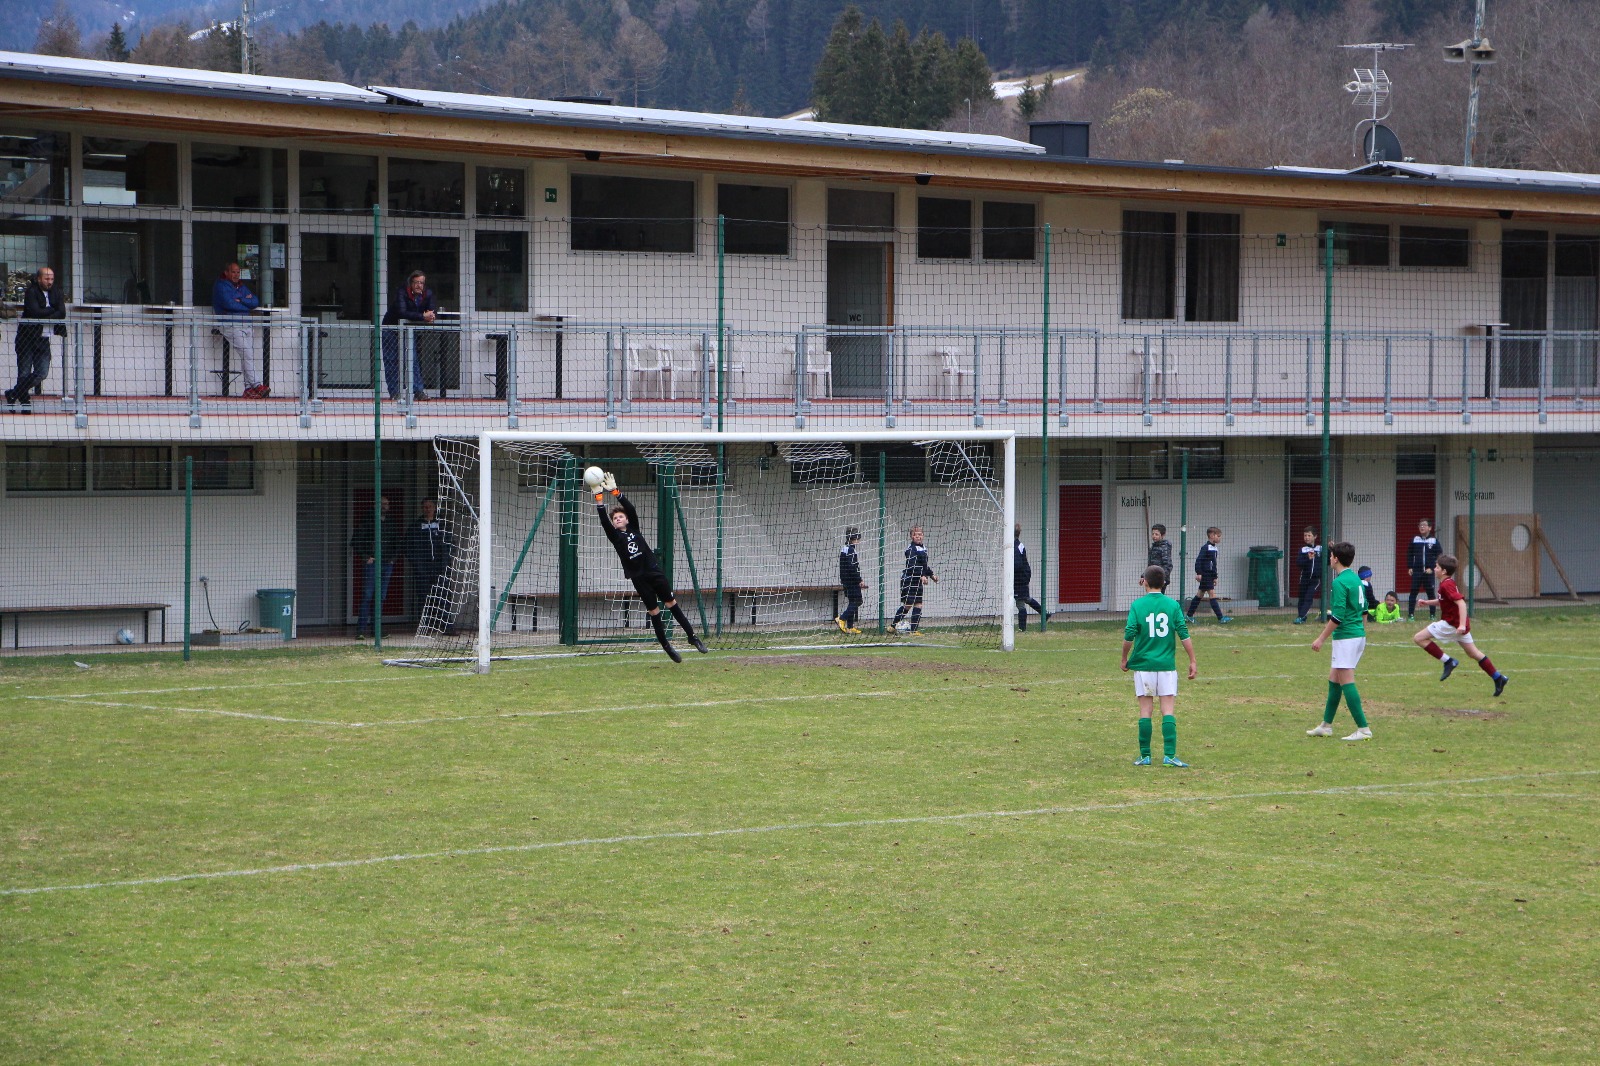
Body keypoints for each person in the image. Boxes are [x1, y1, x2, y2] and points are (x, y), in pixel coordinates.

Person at [594, 472, 707, 662]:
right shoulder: (615, 537)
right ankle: (666, 646)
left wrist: (615, 491)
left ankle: (692, 637)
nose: (618, 519)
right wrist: (599, 498)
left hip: (654, 572)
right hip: (639, 578)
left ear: (627, 519)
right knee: (654, 611)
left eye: (621, 517)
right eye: (615, 519)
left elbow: (630, 508)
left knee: (671, 604)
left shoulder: (634, 528)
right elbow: (604, 521)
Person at [1122, 564, 1197, 767]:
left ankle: (1145, 756)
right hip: (1166, 666)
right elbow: (1184, 634)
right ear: (1164, 584)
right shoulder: (1172, 605)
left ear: (1144, 582)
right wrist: (1192, 660)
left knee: (1145, 711)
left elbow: (1129, 635)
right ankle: (1170, 756)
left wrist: (1124, 658)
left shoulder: (1138, 605)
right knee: (1168, 710)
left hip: (1144, 666)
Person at [1413, 554, 1508, 697]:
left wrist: (1461, 625)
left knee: (1419, 638)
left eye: (1437, 567)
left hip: (1451, 624)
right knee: (1473, 653)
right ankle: (1498, 677)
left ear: (1444, 571)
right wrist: (1427, 603)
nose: (1435, 568)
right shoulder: (1446, 583)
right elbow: (1444, 601)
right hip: (1457, 625)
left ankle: (1449, 661)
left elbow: (1461, 603)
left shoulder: (1447, 584)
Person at [1307, 541, 1372, 741]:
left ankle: (1363, 728)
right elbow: (1364, 610)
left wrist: (1320, 639)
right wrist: (1360, 632)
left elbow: (1337, 617)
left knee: (1346, 681)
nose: (1329, 558)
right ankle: (1326, 725)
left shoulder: (1339, 582)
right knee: (1334, 679)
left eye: (1331, 555)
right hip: (1356, 635)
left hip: (1347, 637)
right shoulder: (1355, 579)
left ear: (1335, 558)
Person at [6, 266, 66, 412]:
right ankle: (25, 402)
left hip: (43, 338)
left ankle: (13, 393)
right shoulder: (31, 292)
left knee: (42, 372)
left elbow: (62, 312)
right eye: (46, 278)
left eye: (51, 279)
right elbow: (34, 312)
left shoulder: (56, 292)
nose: (49, 282)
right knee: (24, 372)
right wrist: (52, 310)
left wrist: (46, 314)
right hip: (26, 338)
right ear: (39, 278)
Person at [211, 262, 268, 398]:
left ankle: (248, 389)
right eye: (233, 272)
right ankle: (256, 385)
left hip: (246, 325)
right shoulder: (221, 285)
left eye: (238, 272)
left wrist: (240, 300)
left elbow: (254, 302)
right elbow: (229, 304)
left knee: (247, 355)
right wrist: (244, 304)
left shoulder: (241, 286)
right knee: (247, 353)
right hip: (231, 325)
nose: (236, 275)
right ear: (226, 272)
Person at [381, 270, 436, 402]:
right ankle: (394, 393)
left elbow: (431, 311)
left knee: (412, 360)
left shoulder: (428, 294)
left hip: (408, 330)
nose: (419, 285)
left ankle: (418, 392)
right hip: (391, 328)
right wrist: (423, 316)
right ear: (411, 283)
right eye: (416, 282)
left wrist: (431, 316)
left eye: (421, 283)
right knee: (391, 360)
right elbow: (402, 312)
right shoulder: (402, 292)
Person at [352, 495, 401, 640]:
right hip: (373, 564)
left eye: (386, 504)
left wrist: (393, 559)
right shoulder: (368, 521)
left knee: (380, 597)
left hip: (386, 563)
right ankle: (360, 630)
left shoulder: (391, 522)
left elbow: (398, 542)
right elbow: (356, 541)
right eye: (381, 504)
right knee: (368, 596)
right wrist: (366, 556)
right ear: (375, 505)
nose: (384, 506)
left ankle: (376, 630)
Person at [404, 497, 450, 609]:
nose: (427, 509)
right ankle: (423, 622)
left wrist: (446, 561)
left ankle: (444, 622)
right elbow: (407, 546)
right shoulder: (415, 526)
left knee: (442, 595)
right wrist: (416, 563)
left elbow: (450, 544)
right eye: (425, 507)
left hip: (439, 567)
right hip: (422, 568)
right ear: (422, 509)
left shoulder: (442, 525)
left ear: (434, 508)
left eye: (430, 507)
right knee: (423, 596)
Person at [891, 525, 938, 633]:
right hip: (909, 580)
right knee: (908, 605)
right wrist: (921, 576)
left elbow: (924, 565)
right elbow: (912, 565)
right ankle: (893, 626)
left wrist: (931, 575)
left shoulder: (924, 548)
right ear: (912, 537)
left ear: (923, 536)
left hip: (918, 581)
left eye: (920, 534)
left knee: (918, 604)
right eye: (916, 535)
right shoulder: (911, 549)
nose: (918, 537)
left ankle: (913, 630)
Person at [1186, 526, 1231, 624]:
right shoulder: (1205, 547)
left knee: (1199, 595)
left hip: (1210, 575)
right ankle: (1220, 618)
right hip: (1205, 575)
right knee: (1212, 595)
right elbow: (1199, 560)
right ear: (1211, 536)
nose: (1220, 538)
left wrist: (1215, 576)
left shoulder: (1215, 548)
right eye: (1218, 536)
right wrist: (1199, 573)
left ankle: (1189, 616)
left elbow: (1213, 564)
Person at [1013, 523, 1048, 631]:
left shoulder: (1015, 546)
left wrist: (1009, 568)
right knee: (1026, 598)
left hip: (1020, 576)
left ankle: (1022, 629)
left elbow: (1017, 564)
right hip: (1024, 575)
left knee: (1020, 602)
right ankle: (1044, 614)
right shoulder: (1019, 544)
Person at [1406, 518, 1441, 621]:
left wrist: (1433, 567)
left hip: (1428, 572)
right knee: (1413, 592)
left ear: (1430, 528)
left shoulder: (1434, 541)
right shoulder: (1415, 539)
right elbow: (1409, 554)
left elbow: (1439, 555)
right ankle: (1411, 615)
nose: (1422, 527)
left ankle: (1432, 615)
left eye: (1424, 525)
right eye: (1420, 525)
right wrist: (1410, 567)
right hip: (1417, 571)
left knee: (1430, 592)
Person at [836, 526, 866, 634]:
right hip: (851, 580)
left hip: (846, 580)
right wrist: (859, 580)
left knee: (852, 601)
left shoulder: (845, 548)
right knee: (858, 601)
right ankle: (842, 618)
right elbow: (852, 567)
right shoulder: (850, 550)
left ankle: (850, 626)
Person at [1294, 527, 1322, 624]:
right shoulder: (1303, 550)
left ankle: (1301, 616)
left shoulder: (1320, 549)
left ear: (1315, 536)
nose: (1306, 537)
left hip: (1315, 579)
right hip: (1304, 578)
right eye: (1305, 535)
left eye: (1309, 535)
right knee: (1302, 598)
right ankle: (1301, 616)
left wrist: (1331, 548)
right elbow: (1299, 563)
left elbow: (1328, 559)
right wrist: (1307, 558)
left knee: (1308, 597)